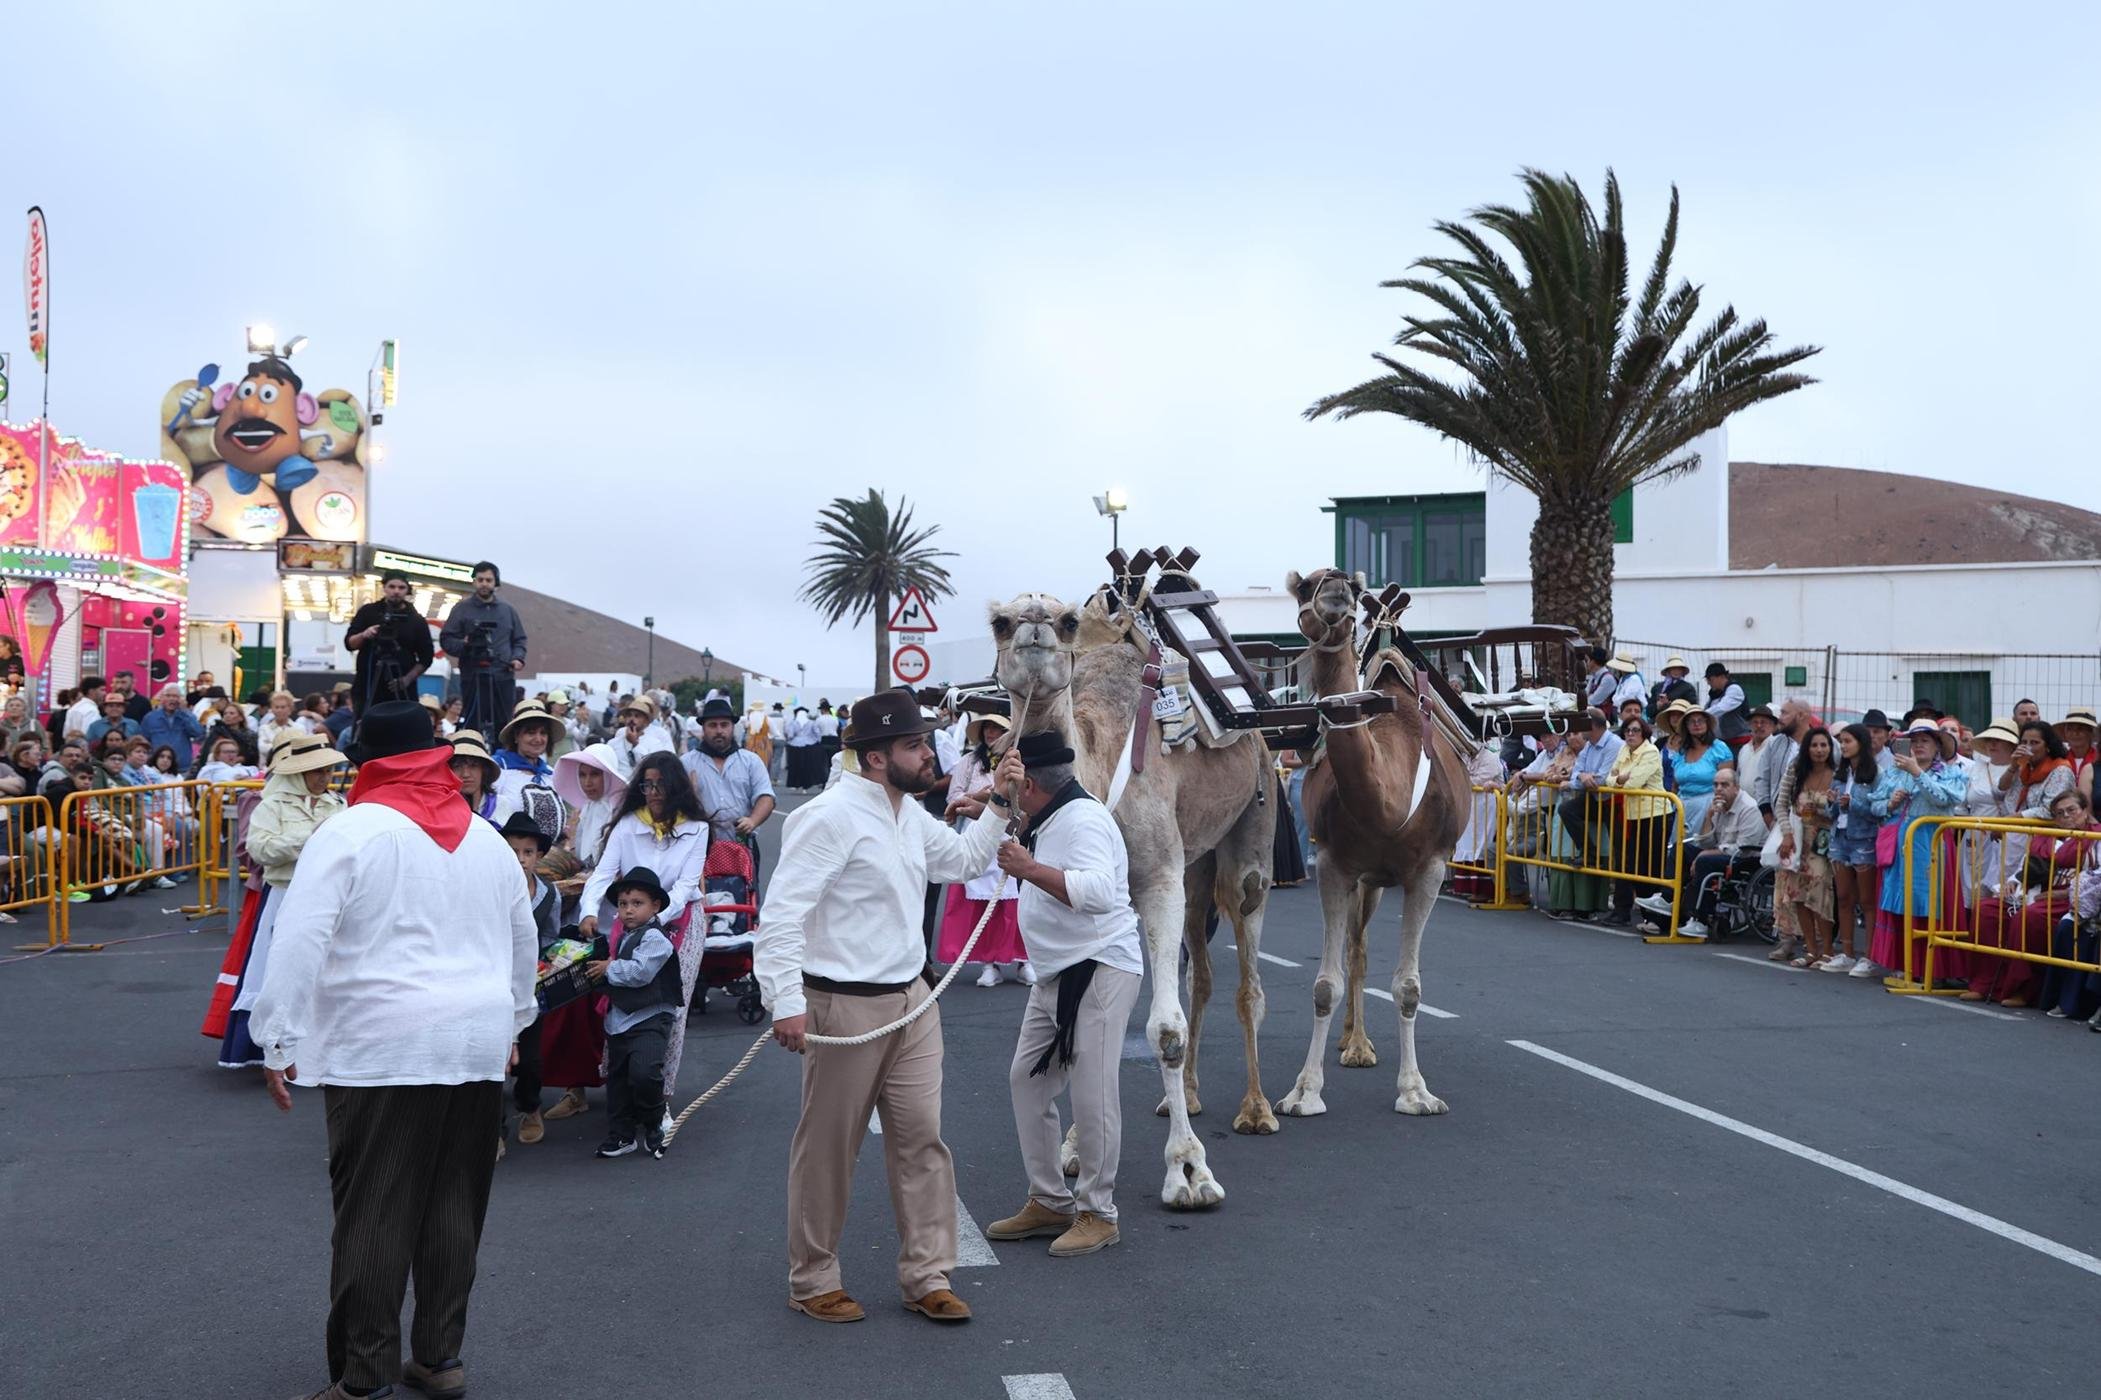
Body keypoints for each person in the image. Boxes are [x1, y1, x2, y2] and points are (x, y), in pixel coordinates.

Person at [246, 700, 536, 1400]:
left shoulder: (351, 829)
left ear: (364, 759)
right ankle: (440, 1356)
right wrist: (513, 1025)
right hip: (472, 1037)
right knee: (453, 1206)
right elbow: (522, 937)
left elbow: (300, 937)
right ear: (435, 755)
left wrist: (276, 1035)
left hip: (380, 1042)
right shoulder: (484, 836)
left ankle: (363, 1371)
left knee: (374, 1210)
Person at [755, 689, 1017, 1325]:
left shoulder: (906, 810)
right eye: (914, 745)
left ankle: (928, 1275)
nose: (929, 754)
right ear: (874, 758)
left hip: (913, 1001)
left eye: (926, 742)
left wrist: (1002, 800)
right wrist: (785, 1002)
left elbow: (964, 860)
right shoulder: (827, 817)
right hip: (842, 1007)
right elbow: (782, 915)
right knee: (828, 1148)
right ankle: (814, 1278)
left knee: (923, 1141)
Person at [981, 731, 1145, 1259]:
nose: (1007, 791)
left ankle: (1099, 1212)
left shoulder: (1085, 819)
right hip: (1057, 972)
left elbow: (1099, 893)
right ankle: (1051, 1200)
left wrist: (1029, 870)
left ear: (1030, 784)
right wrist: (984, 804)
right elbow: (1015, 821)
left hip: (1098, 968)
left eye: (1012, 784)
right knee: (1027, 1081)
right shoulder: (1049, 814)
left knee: (1091, 1093)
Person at [207, 732, 349, 1070]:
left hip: (327, 896)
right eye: (317, 771)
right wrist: (313, 839)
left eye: (327, 770)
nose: (324, 778)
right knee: (277, 971)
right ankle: (267, 1050)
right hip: (284, 894)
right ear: (298, 772)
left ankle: (318, 1051)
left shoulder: (338, 804)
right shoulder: (270, 804)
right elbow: (259, 849)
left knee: (324, 971)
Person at [538, 744, 628, 1127]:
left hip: (617, 924)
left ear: (609, 775)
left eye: (595, 775)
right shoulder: (588, 812)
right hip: (585, 922)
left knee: (614, 1010)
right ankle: (575, 1088)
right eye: (583, 776)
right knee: (573, 1005)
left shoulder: (624, 816)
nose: (589, 783)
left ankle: (627, 1089)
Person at [577, 865, 681, 1160]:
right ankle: (621, 1135)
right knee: (618, 1080)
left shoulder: (656, 939)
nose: (628, 910)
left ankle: (654, 1120)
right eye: (623, 904)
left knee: (645, 1072)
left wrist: (610, 968)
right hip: (620, 1019)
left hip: (650, 1017)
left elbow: (640, 973)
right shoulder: (623, 937)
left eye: (637, 903)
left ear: (655, 906)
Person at [1964, 788, 2100, 1008]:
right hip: (2034, 892)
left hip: (2072, 897)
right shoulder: (2046, 836)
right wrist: (2013, 882)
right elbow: (2025, 866)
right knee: (1986, 910)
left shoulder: (2095, 838)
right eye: (2059, 813)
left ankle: (2023, 989)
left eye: (2071, 810)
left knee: (2030, 918)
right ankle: (1985, 984)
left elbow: (2096, 878)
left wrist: (2064, 892)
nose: (2066, 817)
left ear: (2085, 811)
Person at [1866, 720, 1971, 983]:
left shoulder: (1950, 773)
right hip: (1900, 844)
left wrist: (1917, 774)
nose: (1918, 745)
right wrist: (1889, 803)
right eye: (1914, 741)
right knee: (1899, 901)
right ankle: (1903, 963)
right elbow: (1874, 804)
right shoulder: (1894, 772)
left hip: (1931, 842)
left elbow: (1945, 800)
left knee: (1928, 902)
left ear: (1937, 745)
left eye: (1925, 740)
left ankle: (1930, 966)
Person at [935, 712, 1029, 985]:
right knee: (982, 902)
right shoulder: (968, 763)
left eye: (997, 728)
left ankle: (1024, 960)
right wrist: (982, 796)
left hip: (1012, 832)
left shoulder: (1018, 762)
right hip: (978, 832)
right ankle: (988, 963)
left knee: (1018, 903)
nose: (991, 733)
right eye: (987, 728)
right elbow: (954, 796)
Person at [496, 811, 561, 1156]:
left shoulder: (550, 895)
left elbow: (550, 937)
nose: (521, 860)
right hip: (493, 984)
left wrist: (545, 962)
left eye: (528, 852)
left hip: (532, 986)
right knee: (492, 1058)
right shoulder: (491, 890)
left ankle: (529, 1106)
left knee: (531, 1059)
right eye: (513, 851)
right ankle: (492, 1128)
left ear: (538, 855)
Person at [1637, 766, 1764, 938]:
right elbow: (1705, 842)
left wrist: (1705, 854)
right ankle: (1666, 898)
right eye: (1716, 785)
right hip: (1723, 852)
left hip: (1745, 859)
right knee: (1680, 849)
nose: (1719, 789)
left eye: (1724, 785)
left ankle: (1700, 920)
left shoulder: (1750, 808)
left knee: (1705, 861)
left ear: (1736, 787)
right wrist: (1709, 816)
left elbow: (1744, 849)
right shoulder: (1718, 805)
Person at [1824, 725, 1896, 975]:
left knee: (1867, 900)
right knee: (1843, 896)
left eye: (1848, 741)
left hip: (1864, 839)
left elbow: (1881, 810)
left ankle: (1870, 955)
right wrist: (1831, 803)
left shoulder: (1877, 773)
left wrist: (1854, 804)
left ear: (1861, 743)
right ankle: (1846, 953)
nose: (1843, 746)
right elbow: (1829, 812)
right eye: (1841, 742)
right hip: (1840, 837)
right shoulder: (1841, 773)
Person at [438, 561, 528, 740]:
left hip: (502, 675)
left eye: (489, 580)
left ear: (496, 582)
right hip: (473, 675)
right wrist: (467, 647)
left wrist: (518, 658)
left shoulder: (508, 610)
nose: (484, 584)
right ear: (474, 582)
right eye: (480, 579)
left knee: (504, 724)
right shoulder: (462, 609)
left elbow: (520, 639)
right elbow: (446, 639)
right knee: (472, 723)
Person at [1773, 727, 1839, 967]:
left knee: (1820, 892)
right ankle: (1811, 950)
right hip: (1797, 838)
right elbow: (1781, 804)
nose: (1819, 750)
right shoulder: (1795, 771)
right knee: (1798, 894)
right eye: (1814, 745)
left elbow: (1842, 811)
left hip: (1823, 841)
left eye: (1824, 745)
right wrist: (1787, 834)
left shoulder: (1838, 774)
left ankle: (1828, 950)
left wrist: (1828, 807)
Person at [680, 696, 777, 853]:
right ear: (703, 728)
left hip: (742, 848)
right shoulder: (686, 763)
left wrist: (752, 821)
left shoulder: (751, 761)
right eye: (712, 725)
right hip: (697, 848)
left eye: (724, 725)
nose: (719, 731)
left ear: (732, 727)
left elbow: (766, 797)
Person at [1602, 714, 1669, 926]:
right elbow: (1609, 778)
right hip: (1632, 813)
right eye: (1628, 730)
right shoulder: (1624, 749)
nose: (1630, 734)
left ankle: (1655, 918)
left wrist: (1621, 779)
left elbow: (1634, 783)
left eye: (1635, 730)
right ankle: (1627, 913)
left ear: (1644, 733)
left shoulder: (1650, 751)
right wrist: (1621, 778)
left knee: (1650, 867)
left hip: (1655, 814)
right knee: (1629, 863)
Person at [344, 569, 434, 718]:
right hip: (368, 684)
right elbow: (349, 643)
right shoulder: (368, 612)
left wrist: (407, 679)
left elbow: (426, 657)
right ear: (384, 588)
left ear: (408, 590)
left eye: (401, 588)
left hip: (401, 687)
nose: (396, 591)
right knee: (366, 729)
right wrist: (365, 634)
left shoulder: (416, 620)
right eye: (392, 587)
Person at [1554, 709, 1624, 873]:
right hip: (1596, 798)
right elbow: (1578, 775)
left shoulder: (1615, 744)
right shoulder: (1590, 746)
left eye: (1580, 725)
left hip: (1615, 801)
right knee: (1566, 809)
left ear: (1590, 725)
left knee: (1620, 845)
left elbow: (1601, 780)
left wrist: (1581, 778)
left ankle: (1621, 886)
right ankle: (1589, 854)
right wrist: (1582, 777)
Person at [490, 701, 568, 841]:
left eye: (543, 733)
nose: (538, 739)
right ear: (516, 736)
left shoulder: (549, 774)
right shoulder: (498, 768)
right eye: (530, 733)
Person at [1666, 706, 1733, 839]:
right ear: (1686, 726)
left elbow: (1728, 783)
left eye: (1700, 720)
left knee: (1702, 847)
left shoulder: (1719, 748)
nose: (1696, 724)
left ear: (1707, 724)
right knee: (1679, 851)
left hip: (1710, 808)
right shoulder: (1681, 751)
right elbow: (1675, 785)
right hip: (1683, 808)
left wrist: (1718, 808)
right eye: (1692, 721)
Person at [608, 694, 675, 776]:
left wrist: (635, 744)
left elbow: (654, 766)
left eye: (637, 716)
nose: (632, 719)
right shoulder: (613, 743)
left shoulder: (655, 743)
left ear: (646, 720)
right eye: (629, 715)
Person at [192, 698, 261, 776]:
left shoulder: (250, 735)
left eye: (231, 713)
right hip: (216, 771)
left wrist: (237, 759)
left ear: (240, 717)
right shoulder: (216, 732)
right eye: (225, 713)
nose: (227, 716)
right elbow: (204, 753)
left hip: (242, 772)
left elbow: (253, 756)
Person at [448, 732, 503, 827]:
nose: (465, 774)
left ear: (484, 770)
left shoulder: (501, 804)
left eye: (473, 766)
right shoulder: (443, 808)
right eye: (457, 766)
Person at [2059, 707, 2098, 806]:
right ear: (2065, 734)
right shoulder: (2058, 760)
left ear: (2092, 733)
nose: (2075, 733)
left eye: (2080, 729)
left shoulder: (2099, 760)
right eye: (2070, 729)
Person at [784, 706, 826, 792]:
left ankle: (796, 784)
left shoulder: (793, 723)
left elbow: (790, 735)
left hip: (795, 746)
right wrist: (816, 741)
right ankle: (806, 785)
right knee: (808, 766)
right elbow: (817, 734)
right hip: (809, 745)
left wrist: (789, 740)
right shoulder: (811, 722)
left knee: (795, 766)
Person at [257, 690, 304, 756]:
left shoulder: (299, 728)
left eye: (283, 707)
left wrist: (274, 745)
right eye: (276, 707)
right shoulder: (264, 728)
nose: (279, 710)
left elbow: (302, 748)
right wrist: (288, 746)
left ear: (290, 709)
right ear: (272, 709)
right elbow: (263, 748)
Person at [65, 677, 108, 742]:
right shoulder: (91, 711)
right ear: (91, 691)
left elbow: (66, 734)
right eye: (102, 690)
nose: (105, 693)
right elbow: (89, 735)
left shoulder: (73, 708)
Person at [1580, 646, 1615, 712]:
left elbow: (1594, 700)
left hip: (1602, 716)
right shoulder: (1594, 676)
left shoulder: (1607, 679)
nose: (1586, 663)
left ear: (1593, 662)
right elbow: (1586, 693)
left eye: (1587, 660)